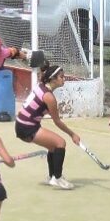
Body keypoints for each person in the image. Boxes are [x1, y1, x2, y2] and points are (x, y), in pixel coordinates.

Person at [14, 60, 80, 190]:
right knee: (60, 143)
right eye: (61, 77)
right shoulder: (49, 97)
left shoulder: (41, 86)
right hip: (27, 127)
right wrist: (73, 134)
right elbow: (57, 122)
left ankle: (52, 177)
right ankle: (58, 178)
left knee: (52, 146)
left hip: (22, 124)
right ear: (53, 79)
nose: (64, 79)